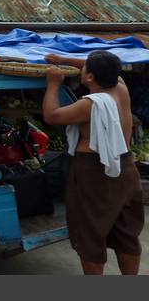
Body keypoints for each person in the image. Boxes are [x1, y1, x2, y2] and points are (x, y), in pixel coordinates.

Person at [43, 51, 144, 275]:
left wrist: (53, 83)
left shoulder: (90, 104)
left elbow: (52, 115)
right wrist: (63, 60)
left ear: (89, 77)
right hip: (125, 167)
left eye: (85, 68)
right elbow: (105, 68)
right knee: (126, 231)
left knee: (89, 232)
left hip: (94, 172)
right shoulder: (120, 87)